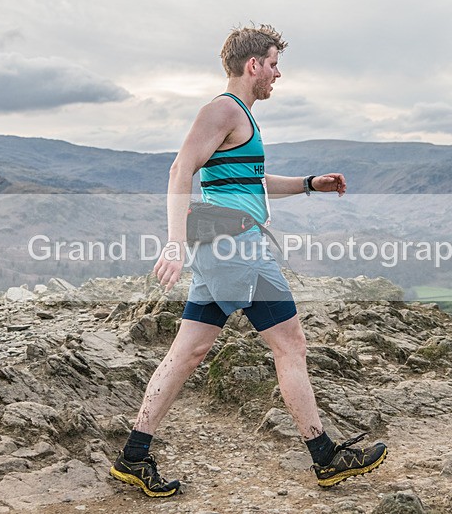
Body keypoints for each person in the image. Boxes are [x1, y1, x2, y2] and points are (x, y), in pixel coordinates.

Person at [110, 25, 387, 497]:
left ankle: (133, 457)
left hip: (221, 251)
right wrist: (174, 243)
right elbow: (180, 170)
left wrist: (307, 182)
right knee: (290, 344)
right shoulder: (222, 109)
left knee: (188, 352)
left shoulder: (240, 117)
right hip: (237, 250)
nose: (278, 74)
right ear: (252, 65)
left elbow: (250, 182)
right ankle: (324, 456)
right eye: (274, 63)